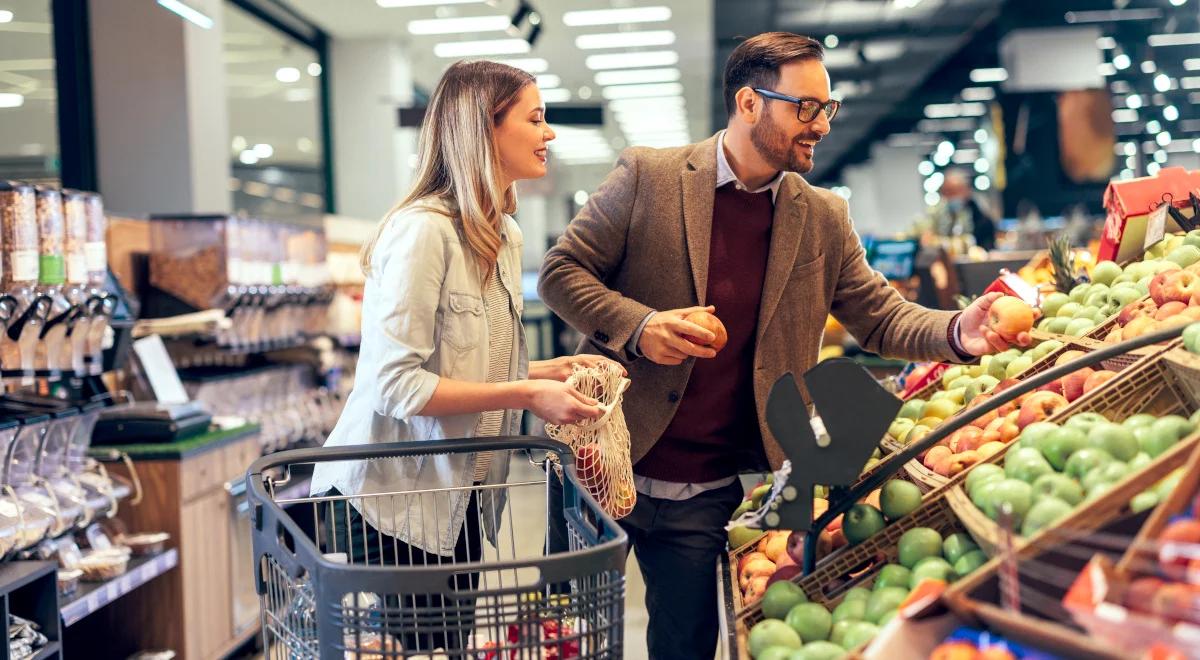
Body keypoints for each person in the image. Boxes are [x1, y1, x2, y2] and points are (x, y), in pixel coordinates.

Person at [538, 32, 1024, 659]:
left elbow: (878, 317)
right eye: (805, 107)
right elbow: (562, 271)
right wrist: (640, 326)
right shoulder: (649, 176)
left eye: (827, 108)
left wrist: (959, 330)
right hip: (600, 460)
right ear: (748, 102)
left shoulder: (821, 215)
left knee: (685, 644)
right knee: (565, 640)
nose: (819, 124)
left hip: (706, 489)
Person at [308, 60, 617, 652]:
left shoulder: (503, 234)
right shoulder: (422, 232)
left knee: (445, 648)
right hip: (390, 504)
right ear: (485, 129)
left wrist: (548, 373)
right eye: (536, 118)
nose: (549, 133)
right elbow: (396, 385)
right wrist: (526, 394)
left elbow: (463, 370)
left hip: (463, 498)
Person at [934, 169, 998, 251]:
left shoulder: (982, 221)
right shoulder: (936, 218)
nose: (951, 196)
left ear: (967, 191)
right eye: (947, 192)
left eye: (955, 191)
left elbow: (988, 251)